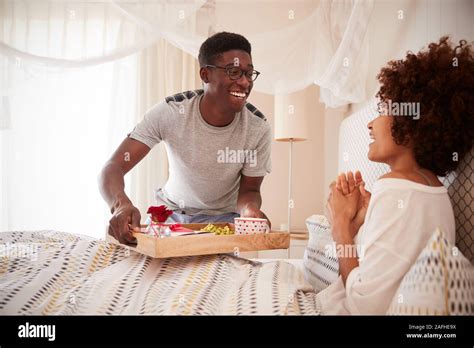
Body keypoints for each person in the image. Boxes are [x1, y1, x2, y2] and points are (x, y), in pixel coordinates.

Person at [322, 36, 473, 314]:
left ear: (412, 119)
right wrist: (358, 227)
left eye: (382, 109)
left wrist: (340, 225)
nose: (370, 123)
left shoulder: (394, 188)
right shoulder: (435, 191)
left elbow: (362, 306)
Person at [99, 32, 272, 245]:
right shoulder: (171, 112)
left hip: (225, 224)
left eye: (249, 73)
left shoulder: (258, 127)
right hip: (171, 218)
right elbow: (113, 167)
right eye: (234, 72)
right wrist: (121, 205)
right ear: (206, 74)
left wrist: (250, 210)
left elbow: (250, 191)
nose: (245, 82)